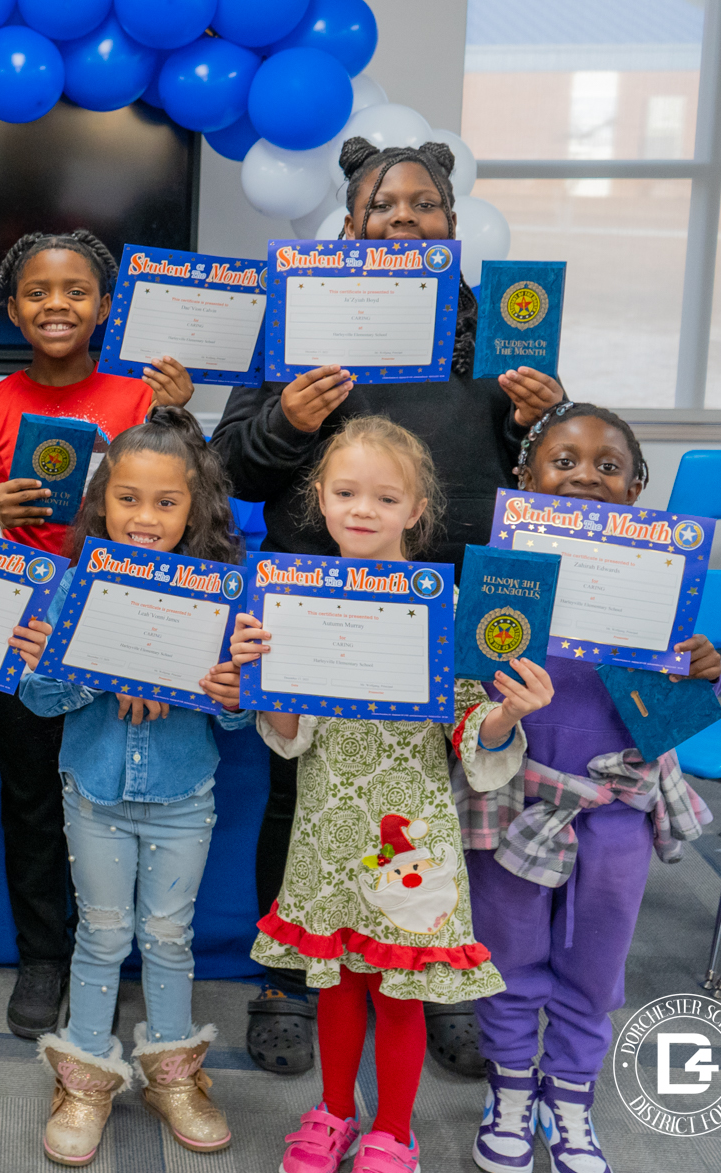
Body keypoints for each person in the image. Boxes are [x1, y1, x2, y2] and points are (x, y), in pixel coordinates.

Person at [210, 137, 565, 1078]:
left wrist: (542, 421)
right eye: (383, 204)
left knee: (439, 801)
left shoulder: (501, 335)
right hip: (322, 592)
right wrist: (288, 415)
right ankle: (290, 980)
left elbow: (553, 485)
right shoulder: (300, 321)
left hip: (451, 599)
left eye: (424, 203)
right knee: (302, 789)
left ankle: (428, 973)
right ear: (350, 221)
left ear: (452, 221)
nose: (404, 218)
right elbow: (233, 463)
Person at [229, 416, 554, 1173]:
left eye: (384, 496)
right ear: (319, 497)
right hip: (328, 824)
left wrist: (506, 712)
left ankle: (395, 1129)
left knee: (400, 988)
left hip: (412, 831)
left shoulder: (448, 613)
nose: (362, 509)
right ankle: (336, 1111)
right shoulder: (296, 600)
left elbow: (475, 733)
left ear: (417, 509)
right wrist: (263, 678)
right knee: (338, 980)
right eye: (345, 492)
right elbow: (287, 729)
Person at [464, 403, 718, 1173]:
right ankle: (509, 1087)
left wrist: (694, 670)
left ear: (637, 487)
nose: (586, 477)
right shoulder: (502, 580)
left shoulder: (663, 589)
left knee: (597, 961)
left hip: (618, 810)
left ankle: (569, 1094)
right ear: (525, 476)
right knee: (506, 952)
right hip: (514, 800)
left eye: (609, 467)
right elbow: (469, 694)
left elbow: (666, 720)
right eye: (564, 460)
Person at [6, 409, 246, 1165]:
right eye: (129, 499)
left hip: (182, 794)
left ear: (195, 507)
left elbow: (242, 723)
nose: (145, 517)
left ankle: (173, 1075)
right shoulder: (72, 588)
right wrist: (91, 671)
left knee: (169, 935)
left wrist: (209, 688)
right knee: (103, 933)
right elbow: (38, 699)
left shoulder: (221, 596)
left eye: (165, 502)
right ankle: (85, 1077)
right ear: (103, 504)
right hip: (95, 795)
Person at [0, 230, 190, 1039]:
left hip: (125, 630)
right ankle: (42, 955)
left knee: (117, 794)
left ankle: (123, 954)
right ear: (12, 306)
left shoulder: (140, 398)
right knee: (29, 800)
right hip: (23, 633)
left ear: (105, 306)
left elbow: (180, 503)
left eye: (75, 291)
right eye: (36, 291)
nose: (55, 305)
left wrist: (181, 413)